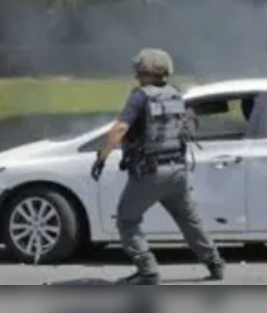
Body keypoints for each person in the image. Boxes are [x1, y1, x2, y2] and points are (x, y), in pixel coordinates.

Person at [91, 49, 226, 285]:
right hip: (177, 170)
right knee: (189, 220)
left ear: (146, 72)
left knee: (126, 220)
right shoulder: (176, 94)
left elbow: (121, 128)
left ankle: (147, 270)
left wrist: (102, 156)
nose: (136, 76)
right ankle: (214, 263)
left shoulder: (140, 96)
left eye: (139, 71)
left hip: (149, 173)